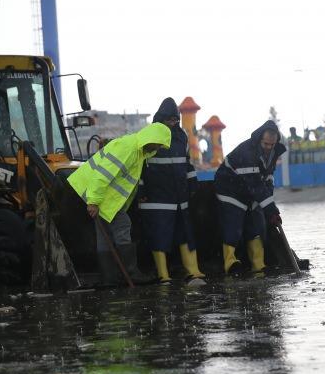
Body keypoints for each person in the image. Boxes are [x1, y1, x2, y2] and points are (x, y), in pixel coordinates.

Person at [67, 122, 171, 286]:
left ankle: (109, 278)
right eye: (158, 144)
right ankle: (130, 273)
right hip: (99, 195)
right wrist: (93, 201)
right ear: (150, 139)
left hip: (102, 196)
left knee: (104, 236)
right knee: (123, 224)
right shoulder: (128, 148)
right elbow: (103, 175)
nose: (157, 148)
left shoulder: (138, 152)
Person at [139, 98, 205, 285]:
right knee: (160, 235)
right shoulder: (148, 135)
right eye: (170, 119)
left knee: (186, 234)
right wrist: (141, 189)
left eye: (176, 120)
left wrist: (193, 182)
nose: (173, 123)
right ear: (161, 118)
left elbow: (186, 161)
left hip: (179, 196)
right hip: (157, 196)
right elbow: (140, 166)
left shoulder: (181, 136)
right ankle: (163, 275)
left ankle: (193, 271)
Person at [214, 120, 286, 276]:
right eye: (266, 144)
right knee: (233, 225)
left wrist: (270, 209)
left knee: (256, 225)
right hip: (230, 188)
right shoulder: (247, 152)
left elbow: (267, 180)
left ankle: (258, 265)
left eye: (272, 145)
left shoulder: (272, 152)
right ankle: (231, 263)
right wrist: (271, 209)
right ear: (260, 139)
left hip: (249, 190)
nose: (268, 147)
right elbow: (255, 184)